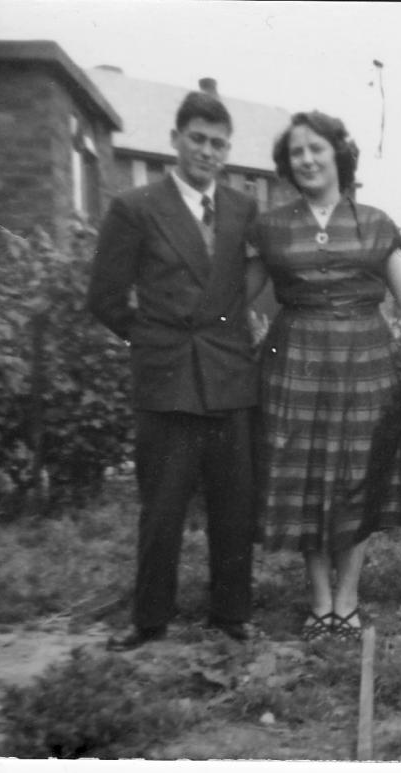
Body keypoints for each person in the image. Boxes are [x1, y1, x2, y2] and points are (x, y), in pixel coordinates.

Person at [250, 110, 401, 642]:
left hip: (365, 367)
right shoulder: (271, 226)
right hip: (296, 365)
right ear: (286, 165)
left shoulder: (376, 223)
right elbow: (232, 299)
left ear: (339, 154)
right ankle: (318, 598)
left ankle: (348, 597)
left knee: (357, 480)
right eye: (296, 153)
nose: (308, 159)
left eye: (317, 148)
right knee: (308, 480)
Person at [88, 91, 259, 650]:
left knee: (233, 506)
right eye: (198, 140)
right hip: (167, 380)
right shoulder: (135, 207)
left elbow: (245, 282)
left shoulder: (240, 209)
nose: (207, 152)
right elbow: (106, 297)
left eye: (218, 144)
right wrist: (155, 340)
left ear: (227, 150)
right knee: (162, 507)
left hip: (229, 378)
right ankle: (150, 619)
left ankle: (231, 615)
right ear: (175, 140)